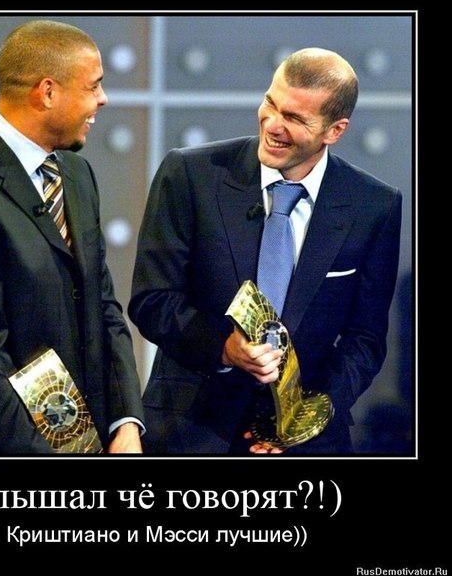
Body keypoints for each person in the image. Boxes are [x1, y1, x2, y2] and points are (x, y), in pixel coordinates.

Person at [129, 48, 402, 455]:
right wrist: (224, 348)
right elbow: (152, 300)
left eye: (294, 118)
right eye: (270, 104)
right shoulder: (190, 174)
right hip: (190, 428)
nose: (273, 125)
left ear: (335, 130)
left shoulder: (373, 205)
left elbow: (364, 339)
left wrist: (303, 419)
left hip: (305, 443)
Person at [0, 20, 144, 455]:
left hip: (92, 441)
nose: (103, 99)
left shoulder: (75, 172)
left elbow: (103, 305)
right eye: (93, 86)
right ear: (48, 92)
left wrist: (126, 421)